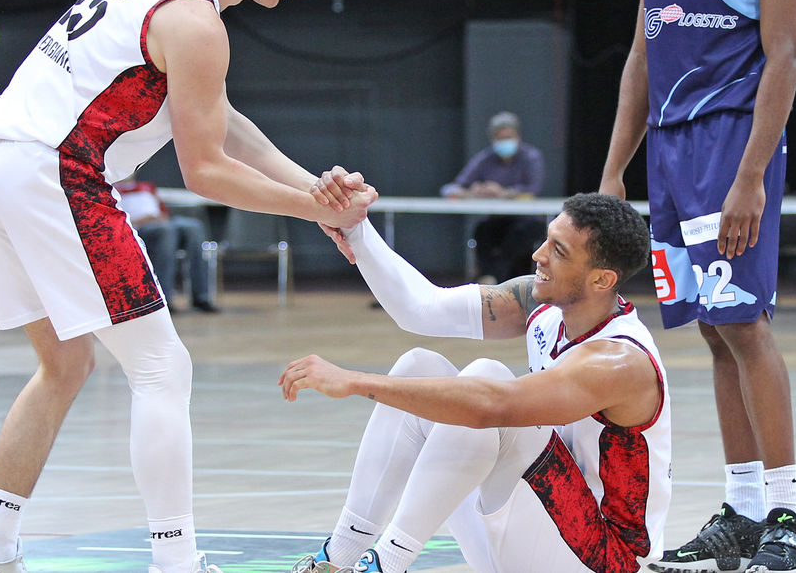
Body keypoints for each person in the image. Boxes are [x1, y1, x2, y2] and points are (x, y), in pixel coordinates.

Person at [0, 0, 375, 573]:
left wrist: (312, 186)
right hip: (54, 171)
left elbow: (226, 122)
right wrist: (316, 212)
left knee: (64, 365)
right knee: (160, 365)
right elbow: (206, 171)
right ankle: (175, 562)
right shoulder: (197, 24)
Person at [597, 0, 796, 573]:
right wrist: (614, 170)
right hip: (669, 153)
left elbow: (785, 56)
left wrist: (751, 175)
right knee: (715, 333)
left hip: (733, 142)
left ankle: (789, 515)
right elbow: (641, 55)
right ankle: (744, 509)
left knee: (746, 323)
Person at [281, 193, 669, 573]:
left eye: (559, 250)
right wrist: (356, 227)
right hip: (538, 526)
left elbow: (492, 405)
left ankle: (386, 564)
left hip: (605, 557)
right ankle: (337, 558)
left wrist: (354, 381)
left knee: (487, 379)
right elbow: (421, 309)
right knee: (420, 365)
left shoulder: (620, 361)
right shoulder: (545, 305)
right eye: (548, 239)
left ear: (602, 279)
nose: (539, 254)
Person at [440, 111, 547, 283]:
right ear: (493, 139)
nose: (504, 142)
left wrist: (503, 192)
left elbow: (532, 190)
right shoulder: (485, 158)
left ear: (517, 136)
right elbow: (451, 188)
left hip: (526, 219)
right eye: (500, 138)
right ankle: (493, 280)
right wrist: (473, 192)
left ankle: (498, 281)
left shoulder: (531, 157)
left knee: (517, 238)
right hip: (497, 219)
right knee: (482, 232)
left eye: (508, 137)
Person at [116, 174, 220, 313]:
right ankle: (164, 297)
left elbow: (163, 212)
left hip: (161, 224)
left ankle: (201, 297)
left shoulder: (147, 187)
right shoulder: (112, 190)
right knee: (166, 232)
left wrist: (160, 218)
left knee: (193, 227)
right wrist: (145, 220)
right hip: (137, 229)